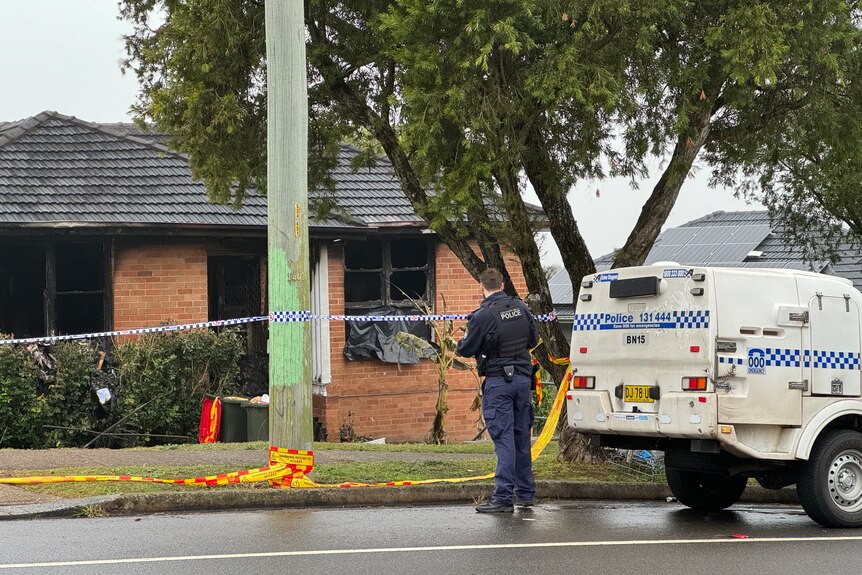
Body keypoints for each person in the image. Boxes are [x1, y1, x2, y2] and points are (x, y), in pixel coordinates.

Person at [456, 268, 540, 513]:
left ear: (481, 286)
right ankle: (525, 493)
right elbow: (533, 341)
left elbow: (467, 349)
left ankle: (503, 497)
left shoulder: (483, 315)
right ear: (502, 285)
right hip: (523, 381)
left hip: (498, 382)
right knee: (521, 436)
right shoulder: (522, 308)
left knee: (504, 439)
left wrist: (462, 342)